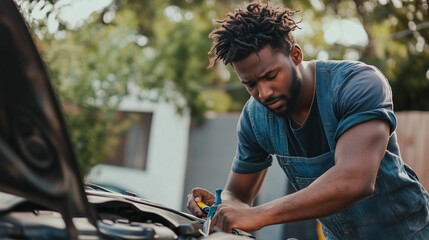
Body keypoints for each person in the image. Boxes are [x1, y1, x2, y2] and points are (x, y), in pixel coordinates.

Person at [186, 1, 429, 239]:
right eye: (250, 84)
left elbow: (355, 180)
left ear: (295, 55)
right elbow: (238, 194)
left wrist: (258, 215)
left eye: (271, 76)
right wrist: (221, 207)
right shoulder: (254, 117)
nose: (264, 93)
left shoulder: (357, 84)